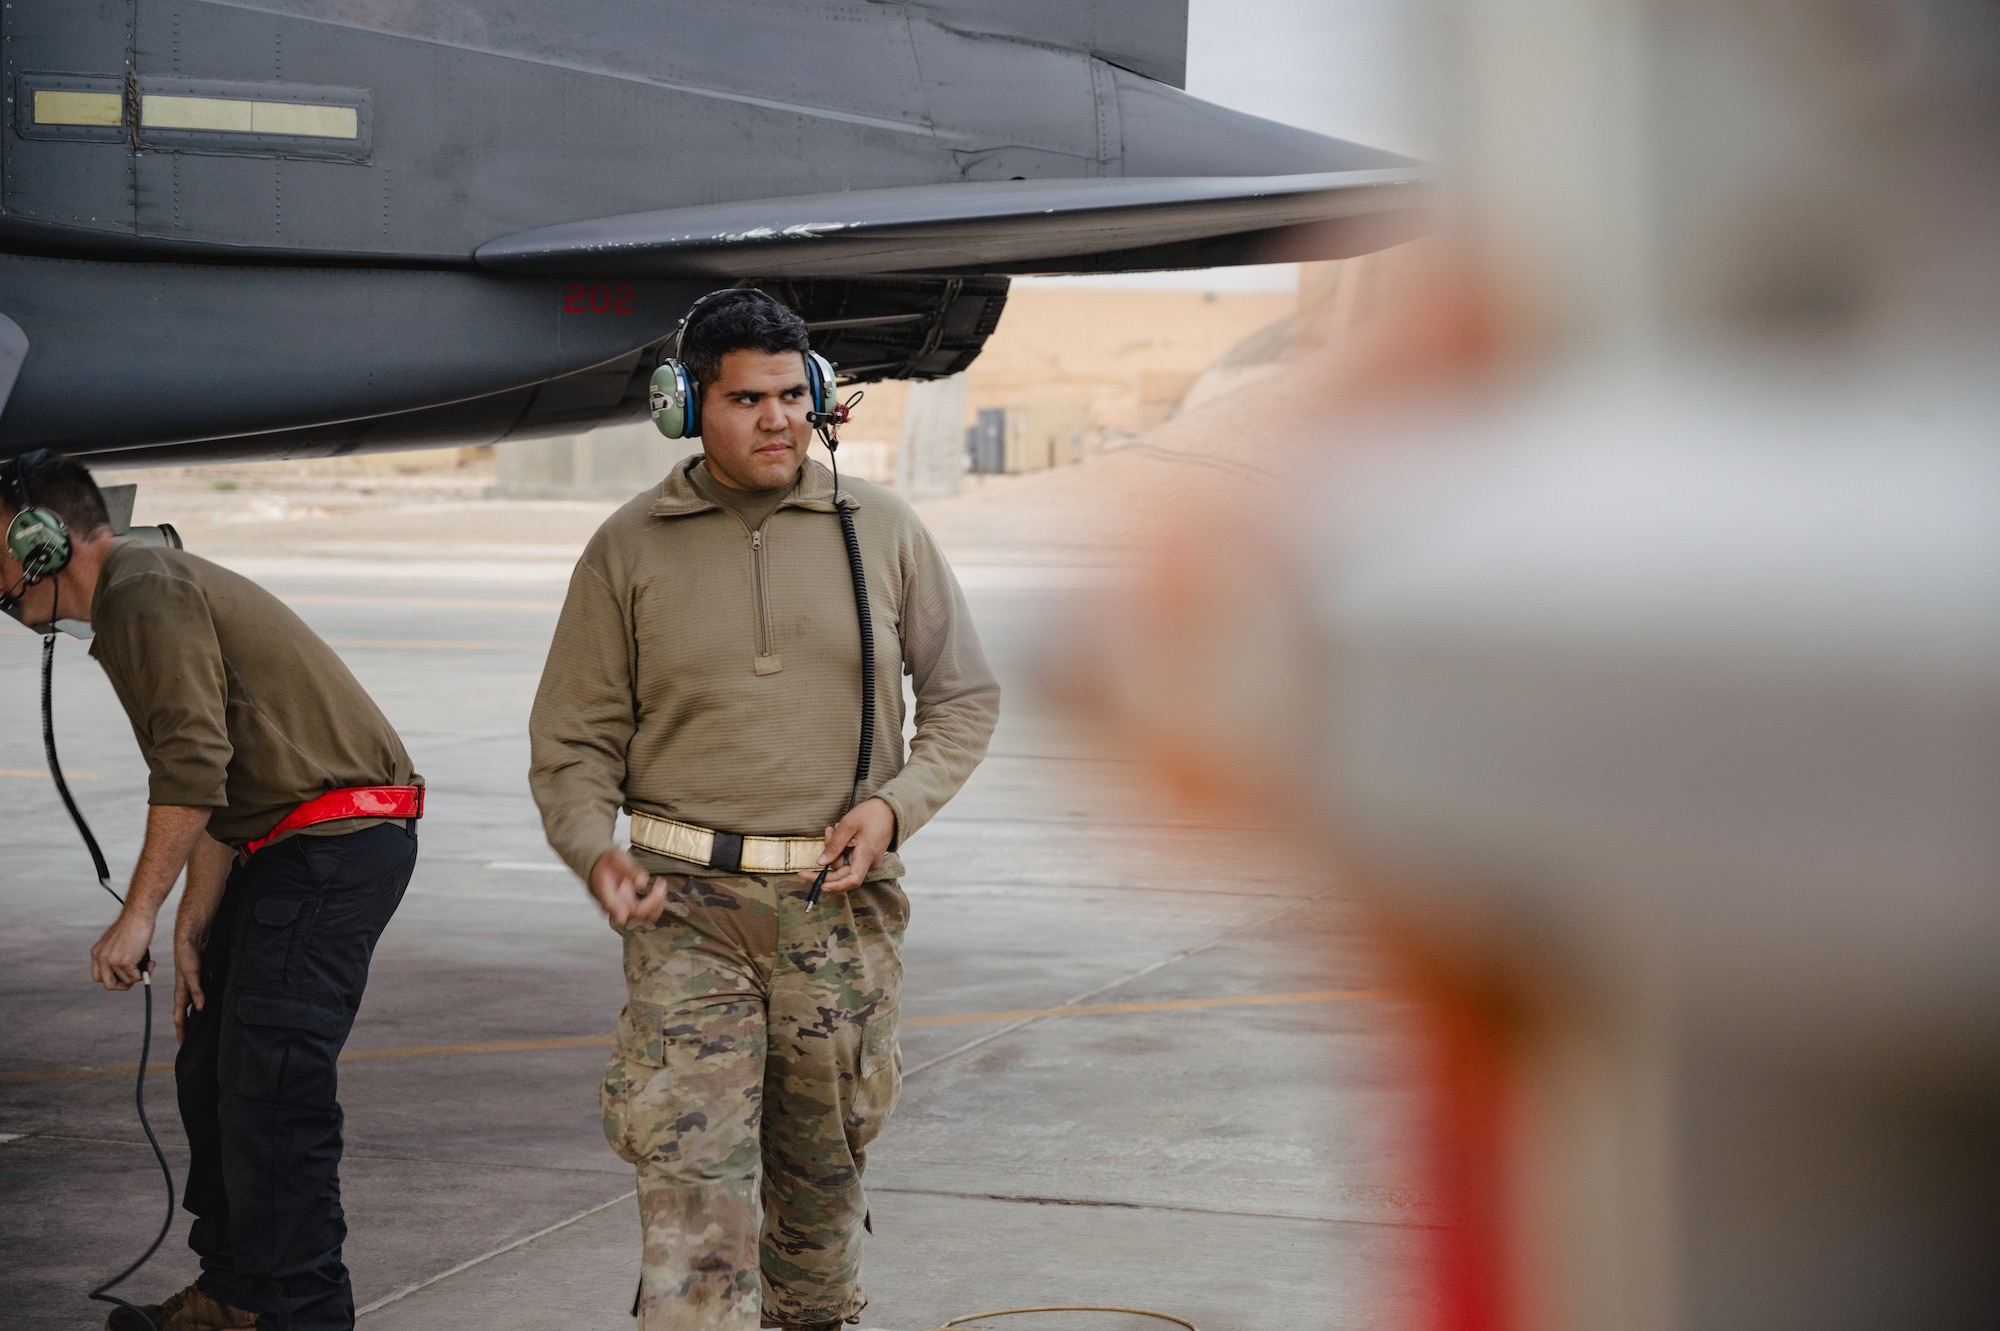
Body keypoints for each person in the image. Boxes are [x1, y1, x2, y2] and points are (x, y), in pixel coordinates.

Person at [529, 289, 999, 1331]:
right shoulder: (629, 547)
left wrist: (892, 809)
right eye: (747, 398)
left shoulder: (879, 528)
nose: (778, 419)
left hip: (836, 905)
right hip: (685, 907)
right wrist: (589, 849)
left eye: (795, 394)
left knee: (819, 1181)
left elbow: (963, 697)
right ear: (687, 406)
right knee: (693, 1186)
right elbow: (571, 742)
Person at [0, 452, 423, 1331]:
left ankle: (299, 1313)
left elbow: (194, 765)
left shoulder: (140, 589)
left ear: (40, 540)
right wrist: (193, 928)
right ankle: (234, 1293)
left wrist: (139, 916)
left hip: (335, 844)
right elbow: (224, 785)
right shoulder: (135, 595)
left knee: (272, 1087)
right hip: (284, 843)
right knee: (210, 1067)